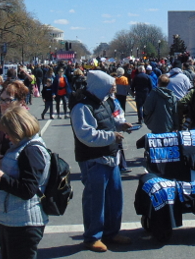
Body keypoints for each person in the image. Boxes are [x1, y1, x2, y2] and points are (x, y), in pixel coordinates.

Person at [70, 70, 132, 252]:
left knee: (114, 198)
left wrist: (120, 126)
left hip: (110, 157)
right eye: (109, 86)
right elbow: (86, 134)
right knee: (95, 201)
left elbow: (107, 123)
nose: (112, 89)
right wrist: (111, 136)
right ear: (100, 87)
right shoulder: (82, 107)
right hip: (94, 160)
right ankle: (92, 236)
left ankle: (111, 232)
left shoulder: (102, 102)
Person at [0, 107, 50, 259]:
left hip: (24, 223)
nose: (6, 136)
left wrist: (0, 177)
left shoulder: (32, 150)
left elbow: (28, 189)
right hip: (13, 219)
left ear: (18, 129)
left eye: (7, 132)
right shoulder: (20, 147)